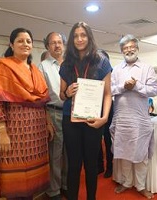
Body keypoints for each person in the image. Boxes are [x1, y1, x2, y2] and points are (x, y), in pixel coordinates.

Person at [0, 28, 54, 200]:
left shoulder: (35, 70)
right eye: (20, 41)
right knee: (15, 183)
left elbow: (42, 102)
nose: (25, 44)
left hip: (37, 132)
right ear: (11, 44)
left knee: (33, 184)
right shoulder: (3, 66)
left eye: (28, 41)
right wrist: (2, 131)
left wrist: (48, 123)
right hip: (14, 131)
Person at [59, 22, 112, 200]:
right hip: (71, 119)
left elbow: (107, 94)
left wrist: (104, 118)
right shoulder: (66, 64)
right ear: (72, 39)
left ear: (89, 37)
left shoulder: (101, 61)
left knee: (91, 165)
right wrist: (67, 92)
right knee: (73, 165)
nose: (79, 39)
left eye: (83, 35)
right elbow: (61, 94)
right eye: (75, 36)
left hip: (93, 119)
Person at [110, 34, 157, 199]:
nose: (129, 50)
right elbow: (109, 91)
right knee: (124, 153)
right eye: (125, 48)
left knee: (140, 155)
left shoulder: (147, 68)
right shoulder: (116, 69)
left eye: (132, 47)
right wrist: (123, 87)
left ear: (137, 49)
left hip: (139, 120)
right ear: (121, 51)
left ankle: (140, 186)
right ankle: (126, 182)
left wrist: (137, 85)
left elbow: (154, 90)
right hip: (121, 119)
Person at [38, 32, 68, 200]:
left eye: (59, 42)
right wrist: (46, 119)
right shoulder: (43, 66)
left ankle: (66, 185)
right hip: (54, 112)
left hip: (73, 113)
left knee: (70, 152)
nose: (57, 45)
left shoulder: (71, 64)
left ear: (63, 45)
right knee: (55, 153)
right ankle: (54, 190)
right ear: (47, 47)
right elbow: (41, 96)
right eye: (52, 43)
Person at [97, 50, 114, 178]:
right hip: (94, 106)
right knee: (95, 139)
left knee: (108, 139)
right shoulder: (91, 72)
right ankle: (99, 166)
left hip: (108, 107)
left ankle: (110, 166)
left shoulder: (112, 74)